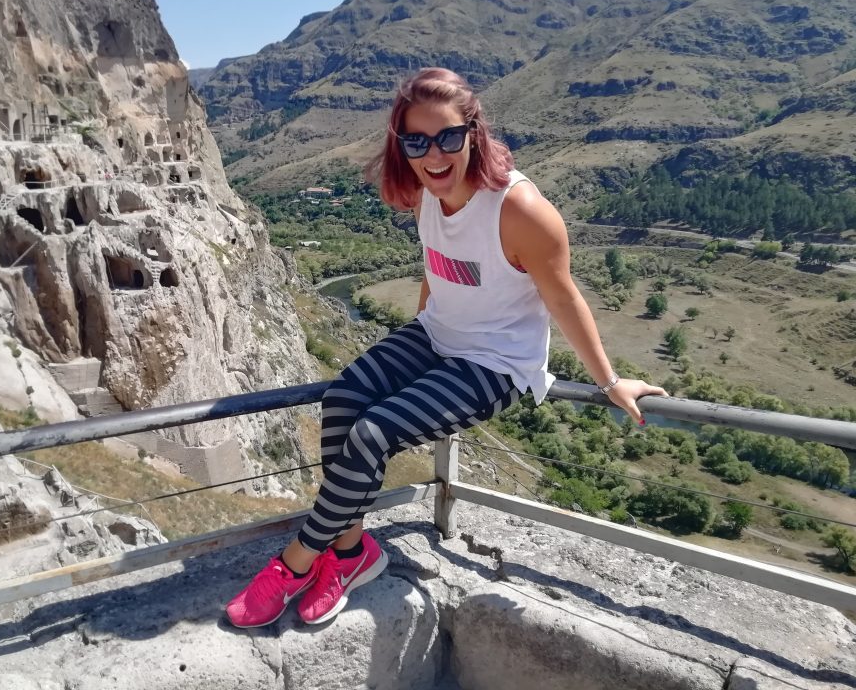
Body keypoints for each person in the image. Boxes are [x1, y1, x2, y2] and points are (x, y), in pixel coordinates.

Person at [225, 67, 667, 629]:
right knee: (342, 400)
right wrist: (414, 343)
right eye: (416, 141)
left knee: (371, 434)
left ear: (474, 133)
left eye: (447, 137)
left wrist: (609, 383)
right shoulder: (425, 193)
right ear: (401, 145)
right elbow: (437, 268)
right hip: (437, 336)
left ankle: (294, 565)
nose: (432, 154)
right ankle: (349, 553)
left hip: (496, 363)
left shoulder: (520, 210)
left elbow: (564, 298)